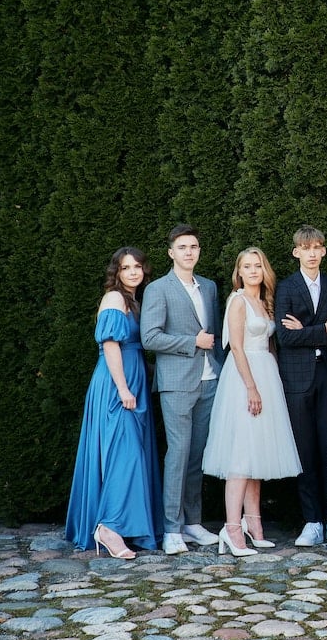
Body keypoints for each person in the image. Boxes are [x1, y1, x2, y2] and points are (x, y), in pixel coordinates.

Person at [202, 248, 302, 556]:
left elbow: (270, 343)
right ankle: (232, 529)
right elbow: (236, 348)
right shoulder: (239, 300)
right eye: (247, 266)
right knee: (241, 456)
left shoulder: (265, 302)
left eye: (258, 264)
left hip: (266, 373)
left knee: (257, 454)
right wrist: (251, 387)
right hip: (245, 376)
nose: (253, 270)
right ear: (239, 272)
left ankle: (254, 524)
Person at [65, 248, 164, 558]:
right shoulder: (115, 299)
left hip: (133, 380)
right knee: (126, 455)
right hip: (115, 384)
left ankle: (123, 526)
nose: (132, 272)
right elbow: (110, 345)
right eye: (125, 268)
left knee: (130, 454)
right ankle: (108, 527)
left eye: (137, 266)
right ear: (117, 273)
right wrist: (123, 387)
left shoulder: (135, 301)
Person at [141, 225, 224, 554]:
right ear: (171, 253)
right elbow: (150, 337)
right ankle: (171, 530)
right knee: (177, 455)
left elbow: (215, 334)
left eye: (194, 246)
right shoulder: (159, 289)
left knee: (196, 457)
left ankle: (192, 523)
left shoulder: (209, 287)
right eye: (183, 247)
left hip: (209, 381)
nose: (189, 252)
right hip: (176, 383)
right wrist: (192, 342)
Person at [275, 225, 327, 547]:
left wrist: (313, 328)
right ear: (296, 252)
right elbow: (285, 337)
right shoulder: (286, 287)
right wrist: (323, 329)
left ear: (324, 251)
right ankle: (312, 521)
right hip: (296, 379)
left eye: (317, 247)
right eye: (306, 248)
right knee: (304, 451)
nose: (312, 253)